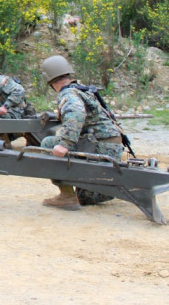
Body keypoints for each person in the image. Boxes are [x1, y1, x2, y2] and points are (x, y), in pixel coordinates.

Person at [38, 55, 126, 210]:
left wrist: (65, 143)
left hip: (100, 146)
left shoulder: (68, 94)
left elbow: (77, 114)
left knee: (48, 144)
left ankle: (67, 196)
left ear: (49, 79)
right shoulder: (81, 89)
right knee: (85, 197)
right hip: (109, 145)